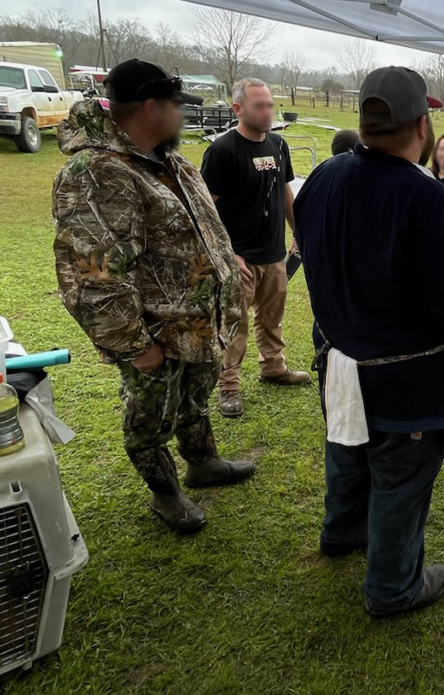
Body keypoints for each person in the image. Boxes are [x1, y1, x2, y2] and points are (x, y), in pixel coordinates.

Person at [294, 66, 444, 618]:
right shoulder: (427, 199)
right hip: (402, 384)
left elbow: (306, 241)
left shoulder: (324, 175)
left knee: (346, 450)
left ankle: (341, 533)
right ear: (421, 124)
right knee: (400, 482)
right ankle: (392, 589)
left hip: (337, 359)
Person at [53, 59, 254, 534]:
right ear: (150, 108)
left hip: (197, 323)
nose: (181, 117)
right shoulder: (97, 173)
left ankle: (202, 463)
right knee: (149, 420)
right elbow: (91, 273)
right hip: (154, 334)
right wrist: (136, 347)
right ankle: (167, 496)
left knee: (193, 402)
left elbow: (200, 231)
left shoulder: (169, 162)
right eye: (175, 107)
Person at [201, 78, 311, 420]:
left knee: (272, 318)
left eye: (270, 105)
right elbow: (205, 209)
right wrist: (227, 254)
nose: (268, 112)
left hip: (273, 253)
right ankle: (229, 386)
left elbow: (285, 192)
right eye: (259, 106)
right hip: (240, 259)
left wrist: (301, 232)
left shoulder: (279, 145)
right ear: (238, 109)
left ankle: (273, 367)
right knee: (234, 325)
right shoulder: (222, 151)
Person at [286, 128, 361, 281]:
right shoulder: (360, 173)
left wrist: (297, 238)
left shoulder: (319, 173)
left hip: (320, 257)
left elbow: (301, 208)